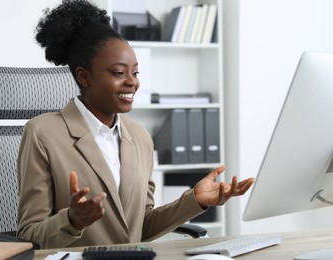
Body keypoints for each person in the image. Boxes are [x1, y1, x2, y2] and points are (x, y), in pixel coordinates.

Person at [17, 0, 255, 249]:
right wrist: (72, 220)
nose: (133, 83)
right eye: (119, 73)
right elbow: (29, 236)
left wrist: (194, 200)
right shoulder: (42, 134)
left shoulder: (139, 136)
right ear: (84, 76)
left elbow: (141, 226)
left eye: (136, 73)